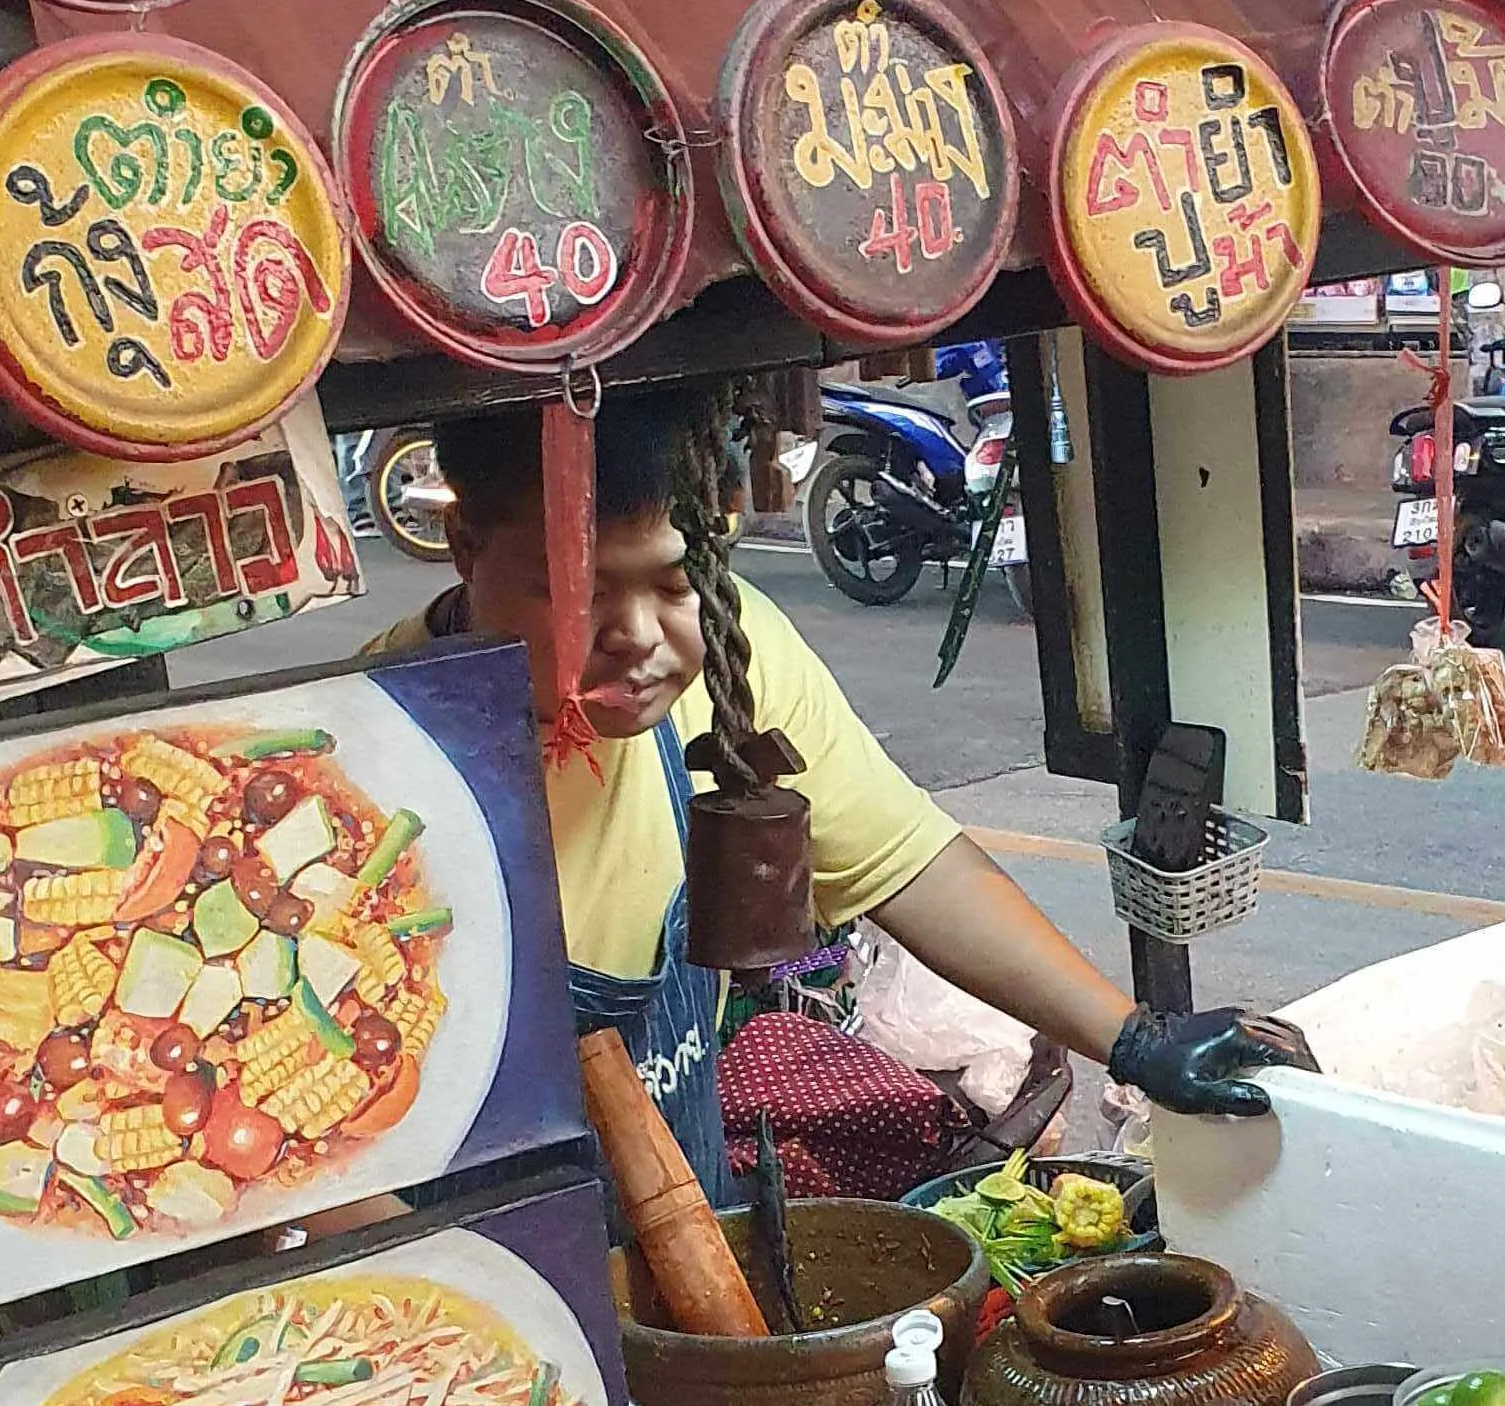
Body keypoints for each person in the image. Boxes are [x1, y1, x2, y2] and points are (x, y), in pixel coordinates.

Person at [404, 396, 1305, 1193]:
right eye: (577, 592)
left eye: (675, 583)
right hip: (463, 1255)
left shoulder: (733, 645)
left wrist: (1138, 1041)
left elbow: (905, 865)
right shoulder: (377, 762)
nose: (638, 639)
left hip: (684, 1196)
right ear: (465, 548)